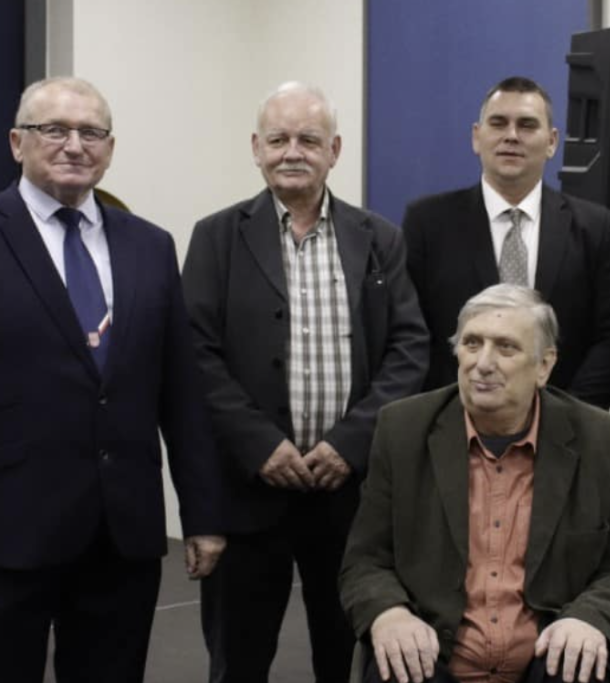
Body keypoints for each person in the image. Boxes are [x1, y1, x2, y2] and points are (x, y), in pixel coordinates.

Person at [0, 77, 225, 683]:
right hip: (1, 535)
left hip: (121, 537)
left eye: (91, 132)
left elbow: (181, 395)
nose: (74, 145)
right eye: (54, 130)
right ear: (18, 143)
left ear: (110, 148)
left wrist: (202, 513)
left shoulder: (150, 245)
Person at [182, 81, 429, 683]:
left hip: (349, 492)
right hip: (248, 489)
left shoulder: (379, 238)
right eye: (279, 139)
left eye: (309, 140)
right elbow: (195, 353)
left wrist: (349, 445)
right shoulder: (216, 237)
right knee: (238, 658)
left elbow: (409, 349)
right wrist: (259, 445)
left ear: (334, 150)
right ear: (256, 148)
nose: (292, 152)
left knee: (345, 654)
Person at [340, 284, 610, 683]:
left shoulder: (608, 445)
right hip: (434, 657)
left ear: (544, 366)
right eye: (472, 343)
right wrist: (389, 613)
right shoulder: (402, 430)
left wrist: (589, 617)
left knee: (580, 669)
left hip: (550, 658)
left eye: (506, 347)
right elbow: (365, 560)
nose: (482, 363)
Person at [402, 76, 610, 409]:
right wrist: (450, 413)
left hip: (565, 424)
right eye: (498, 123)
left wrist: (568, 416)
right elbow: (410, 333)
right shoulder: (428, 223)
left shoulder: (594, 227)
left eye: (527, 125)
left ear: (552, 142)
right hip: (454, 421)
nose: (511, 135)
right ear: (477, 137)